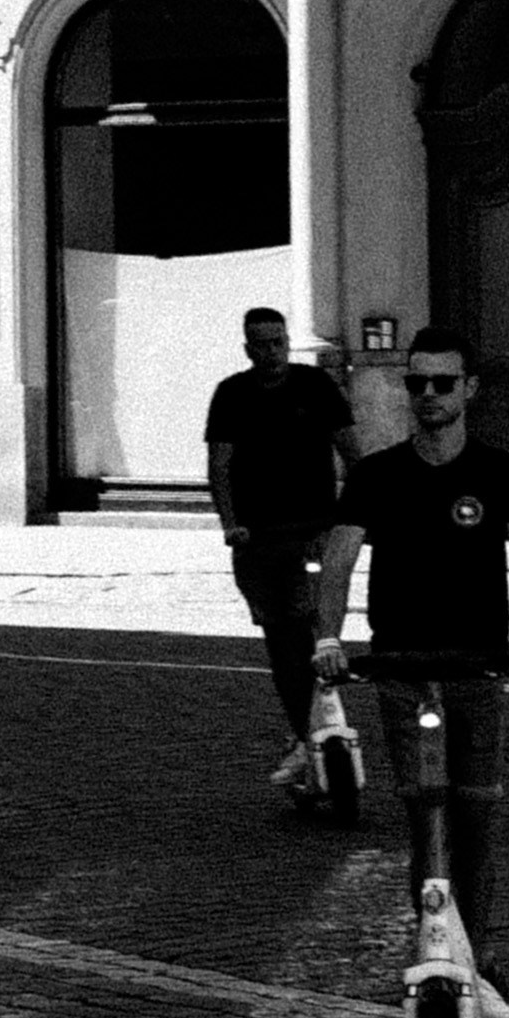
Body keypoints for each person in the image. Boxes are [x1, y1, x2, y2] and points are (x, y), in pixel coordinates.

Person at [315, 327, 509, 1018]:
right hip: (402, 668)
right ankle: (435, 948)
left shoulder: (501, 471)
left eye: (442, 383)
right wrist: (328, 640)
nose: (427, 395)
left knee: (474, 815)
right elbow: (338, 562)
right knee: (426, 813)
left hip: (476, 668)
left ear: (468, 389)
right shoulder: (375, 475)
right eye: (415, 382)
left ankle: (479, 959)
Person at [204, 305, 360, 805]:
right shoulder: (232, 394)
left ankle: (322, 729)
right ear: (247, 348)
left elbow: (350, 451)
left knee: (318, 628)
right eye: (262, 343)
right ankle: (303, 735)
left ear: (288, 342)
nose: (272, 351)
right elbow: (220, 465)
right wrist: (231, 525)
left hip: (316, 530)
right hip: (261, 539)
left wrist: (356, 514)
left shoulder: (315, 386)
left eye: (279, 341)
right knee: (283, 641)